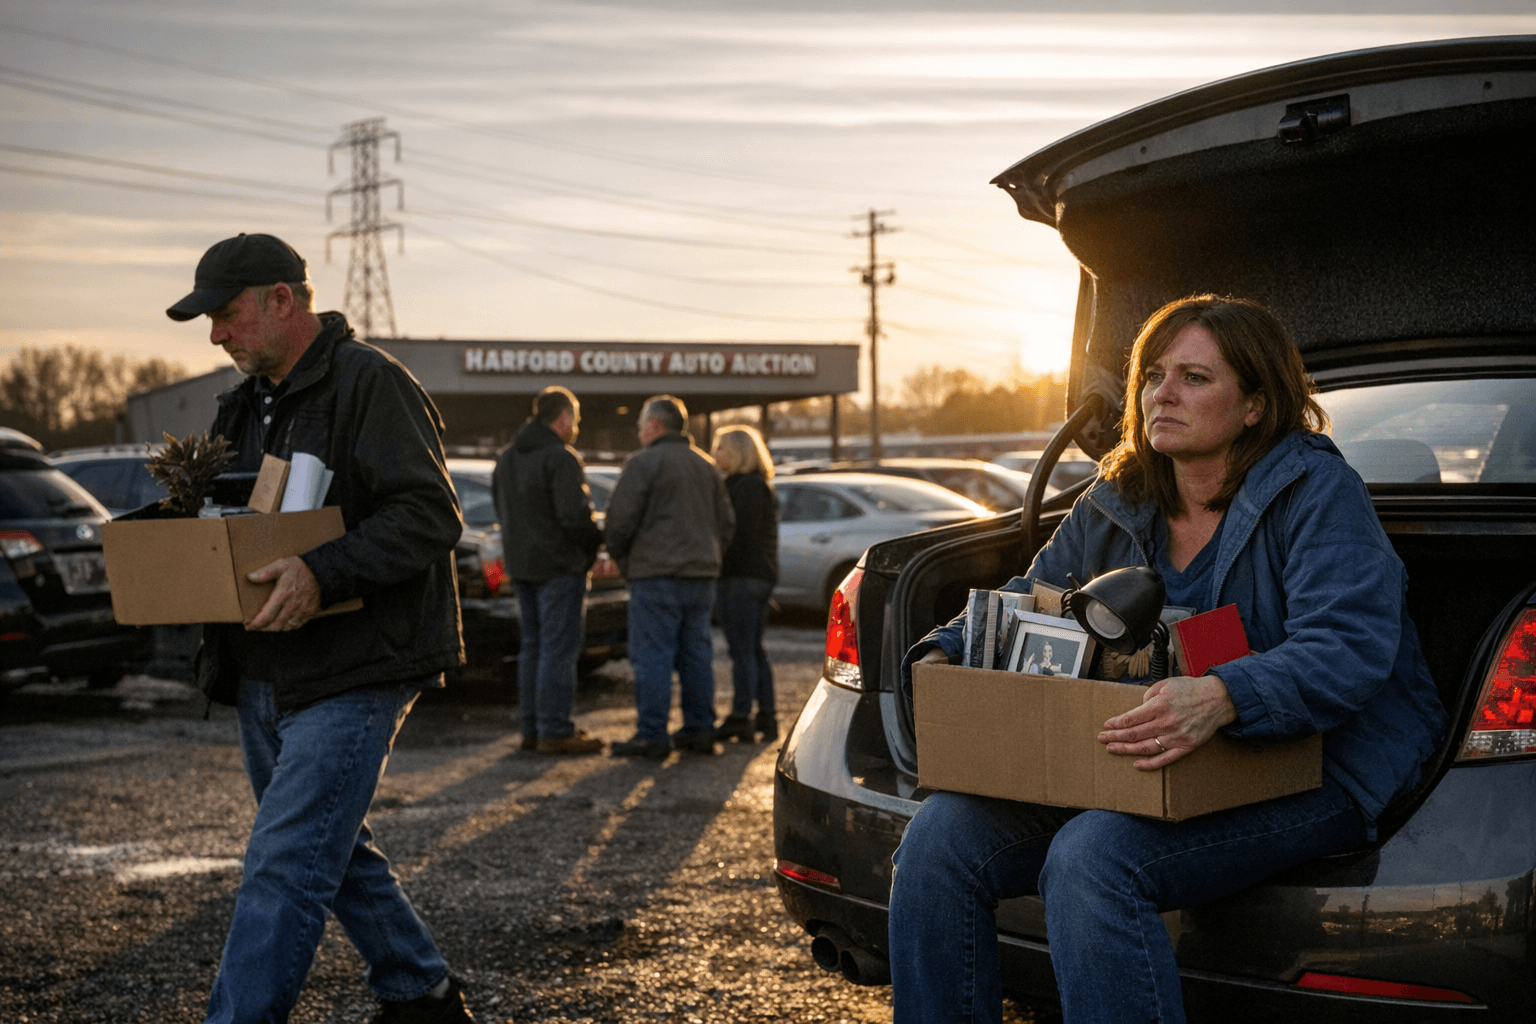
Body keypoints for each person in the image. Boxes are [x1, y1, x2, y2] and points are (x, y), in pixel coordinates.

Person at [888, 295, 1447, 1024]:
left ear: (1254, 405)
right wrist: (945, 651)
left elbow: (1347, 646)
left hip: (1317, 759)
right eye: (1153, 375)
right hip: (1145, 758)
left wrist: (1224, 694)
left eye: (1193, 377)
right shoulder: (1117, 495)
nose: (1163, 394)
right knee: (937, 839)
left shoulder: (1317, 492)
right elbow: (1033, 595)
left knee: (1093, 857)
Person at [166, 233, 475, 1024]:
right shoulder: (240, 406)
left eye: (228, 315)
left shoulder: (371, 384)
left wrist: (324, 570)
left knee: (284, 861)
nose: (216, 336)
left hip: (359, 664)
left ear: (283, 299)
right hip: (267, 666)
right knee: (329, 851)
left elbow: (430, 514)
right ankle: (421, 992)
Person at [602, 395, 734, 757]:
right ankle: (700, 728)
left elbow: (619, 522)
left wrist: (625, 561)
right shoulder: (707, 467)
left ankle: (652, 734)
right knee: (696, 654)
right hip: (701, 576)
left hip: (655, 575)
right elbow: (726, 524)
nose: (639, 430)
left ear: (655, 425)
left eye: (641, 424)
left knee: (653, 656)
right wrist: (709, 558)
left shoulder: (643, 463)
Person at [492, 386, 605, 755]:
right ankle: (555, 730)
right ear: (563, 419)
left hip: (522, 567)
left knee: (533, 648)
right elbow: (575, 517)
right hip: (560, 568)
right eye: (575, 420)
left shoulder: (506, 458)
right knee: (558, 649)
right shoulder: (560, 458)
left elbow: (502, 511)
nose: (575, 428)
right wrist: (594, 542)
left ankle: (532, 729)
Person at [710, 424, 780, 743]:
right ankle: (766, 716)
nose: (716, 454)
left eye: (722, 448)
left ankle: (742, 716)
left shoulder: (745, 487)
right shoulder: (757, 485)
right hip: (757, 576)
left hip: (742, 577)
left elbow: (737, 537)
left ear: (738, 452)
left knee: (742, 651)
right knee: (753, 649)